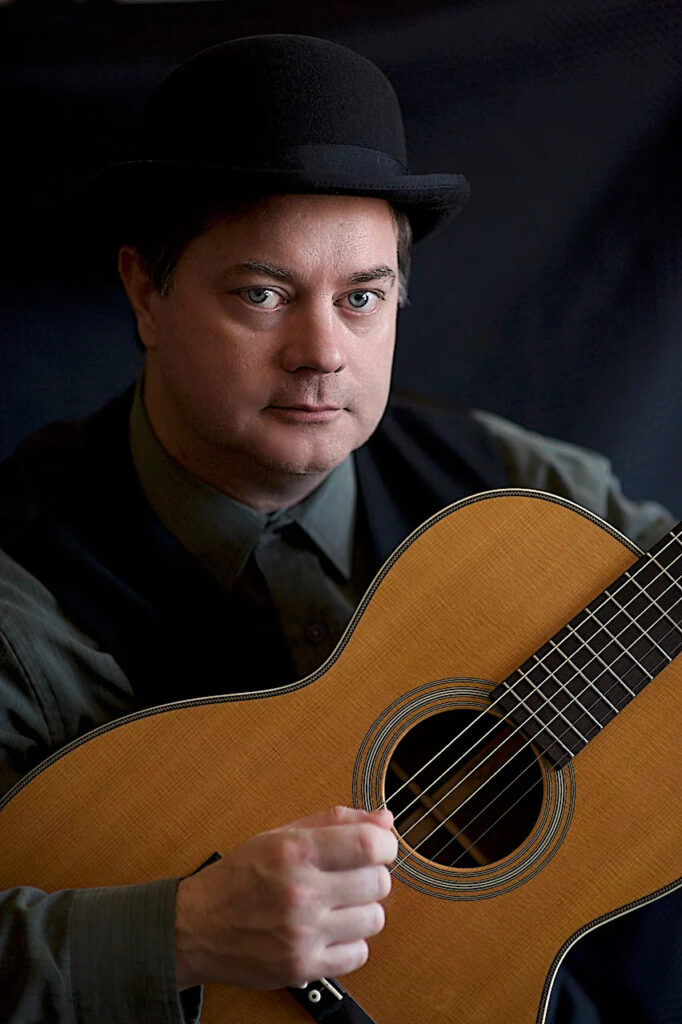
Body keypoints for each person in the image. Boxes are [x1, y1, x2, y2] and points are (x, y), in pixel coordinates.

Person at [0, 33, 678, 1024]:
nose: (322, 352)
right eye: (263, 294)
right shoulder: (23, 583)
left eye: (361, 297)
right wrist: (180, 931)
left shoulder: (516, 489)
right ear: (146, 291)